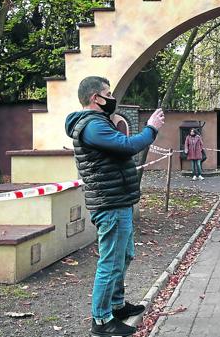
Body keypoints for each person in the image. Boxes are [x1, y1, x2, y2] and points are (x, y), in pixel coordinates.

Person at [65, 76, 165, 337]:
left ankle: (117, 305)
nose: (111, 98)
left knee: (125, 255)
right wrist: (151, 128)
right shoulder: (91, 126)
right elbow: (127, 146)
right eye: (107, 93)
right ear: (94, 98)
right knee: (110, 262)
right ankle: (101, 321)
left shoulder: (99, 123)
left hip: (118, 200)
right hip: (109, 205)